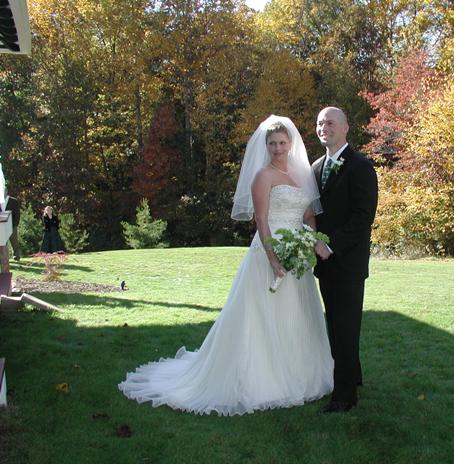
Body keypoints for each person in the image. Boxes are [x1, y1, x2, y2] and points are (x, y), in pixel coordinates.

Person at [118, 115, 334, 416]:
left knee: (297, 315)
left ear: (291, 143)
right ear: (266, 146)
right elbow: (261, 221)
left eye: (282, 142)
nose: (277, 148)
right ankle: (264, 380)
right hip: (268, 254)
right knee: (263, 319)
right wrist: (273, 260)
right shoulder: (263, 176)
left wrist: (309, 243)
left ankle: (299, 374)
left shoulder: (302, 174)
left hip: (297, 257)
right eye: (272, 143)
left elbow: (308, 216)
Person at [312, 107, 378, 413]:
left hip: (348, 263)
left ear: (346, 128)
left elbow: (363, 217)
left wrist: (332, 245)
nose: (325, 127)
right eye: (320, 123)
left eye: (331, 123)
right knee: (336, 327)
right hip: (324, 264)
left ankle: (344, 396)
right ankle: (355, 377)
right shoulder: (315, 168)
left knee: (346, 327)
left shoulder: (360, 166)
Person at [3, 195, 21, 260]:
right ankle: (4, 258)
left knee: (14, 242)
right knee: (3, 243)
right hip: (2, 225)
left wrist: (15, 224)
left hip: (12, 225)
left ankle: (17, 257)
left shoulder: (13, 200)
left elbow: (17, 213)